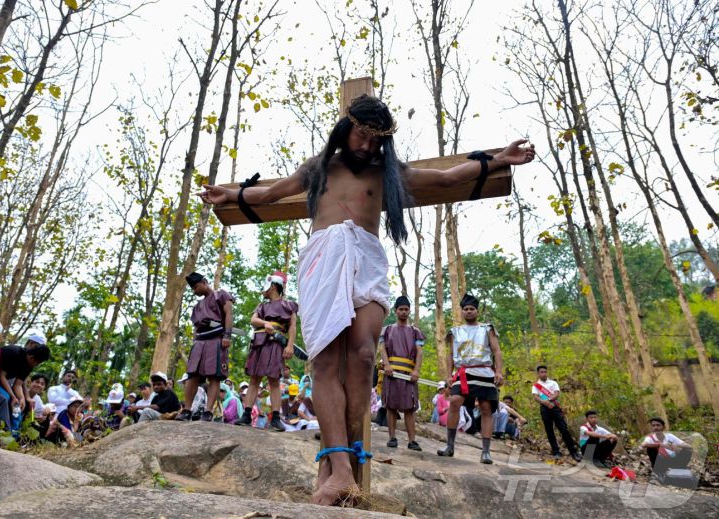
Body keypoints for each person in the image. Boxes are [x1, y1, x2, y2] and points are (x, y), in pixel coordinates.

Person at [202, 94, 535, 504]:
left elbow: (447, 178)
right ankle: (340, 468)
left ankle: (340, 458)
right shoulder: (320, 168)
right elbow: (272, 193)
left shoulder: (388, 171)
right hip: (324, 261)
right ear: (346, 129)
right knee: (326, 361)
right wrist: (232, 195)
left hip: (368, 261)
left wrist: (498, 159)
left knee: (362, 355)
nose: (367, 146)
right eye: (361, 135)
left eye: (377, 140)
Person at [438, 294, 503, 464]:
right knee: (454, 401)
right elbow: (450, 355)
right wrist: (448, 375)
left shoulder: (487, 329)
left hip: (484, 371)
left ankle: (486, 452)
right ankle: (450, 446)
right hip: (463, 372)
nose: (469, 311)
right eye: (466, 309)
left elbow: (496, 351)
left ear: (477, 311)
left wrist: (499, 372)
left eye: (472, 309)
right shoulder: (455, 331)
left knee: (486, 408)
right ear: (462, 311)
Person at [236, 272, 297, 431]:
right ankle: (246, 415)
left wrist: (290, 346)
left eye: (266, 287)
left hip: (276, 344)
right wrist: (265, 323)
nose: (263, 290)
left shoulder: (289, 305)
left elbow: (292, 327)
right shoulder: (261, 306)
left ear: (273, 286)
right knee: (254, 379)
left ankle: (276, 418)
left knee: (274, 380)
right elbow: (253, 320)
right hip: (259, 342)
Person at [176, 272, 234, 422]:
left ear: (204, 282)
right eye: (193, 289)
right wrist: (194, 343)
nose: (195, 291)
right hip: (200, 341)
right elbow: (196, 328)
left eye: (196, 287)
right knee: (192, 375)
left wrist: (227, 335)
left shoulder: (221, 295)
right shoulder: (197, 307)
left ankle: (208, 411)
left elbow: (229, 314)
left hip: (216, 339)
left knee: (214, 376)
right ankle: (187, 410)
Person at [379, 295, 425, 451]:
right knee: (390, 406)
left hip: (409, 374)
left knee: (410, 408)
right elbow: (382, 348)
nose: (404, 312)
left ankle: (412, 441)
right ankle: (392, 438)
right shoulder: (387, 330)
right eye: (401, 309)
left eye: (406, 309)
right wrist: (386, 365)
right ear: (396, 311)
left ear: (409, 311)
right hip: (391, 372)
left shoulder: (415, 331)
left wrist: (416, 370)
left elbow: (419, 352)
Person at [532, 365, 581, 462]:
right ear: (538, 374)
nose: (544, 374)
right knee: (549, 430)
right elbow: (536, 397)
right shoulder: (536, 385)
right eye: (541, 372)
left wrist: (549, 400)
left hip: (554, 407)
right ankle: (556, 451)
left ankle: (573, 452)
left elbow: (556, 393)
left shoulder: (553, 382)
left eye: (545, 372)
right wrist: (544, 402)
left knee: (563, 429)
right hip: (544, 408)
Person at [0, 342, 51, 421]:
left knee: (20, 405)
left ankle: (14, 428)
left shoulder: (29, 365)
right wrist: (13, 397)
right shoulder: (13, 353)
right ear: (32, 357)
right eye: (37, 363)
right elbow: (1, 376)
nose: (37, 365)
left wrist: (22, 398)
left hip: (3, 381)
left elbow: (18, 384)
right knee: (6, 398)